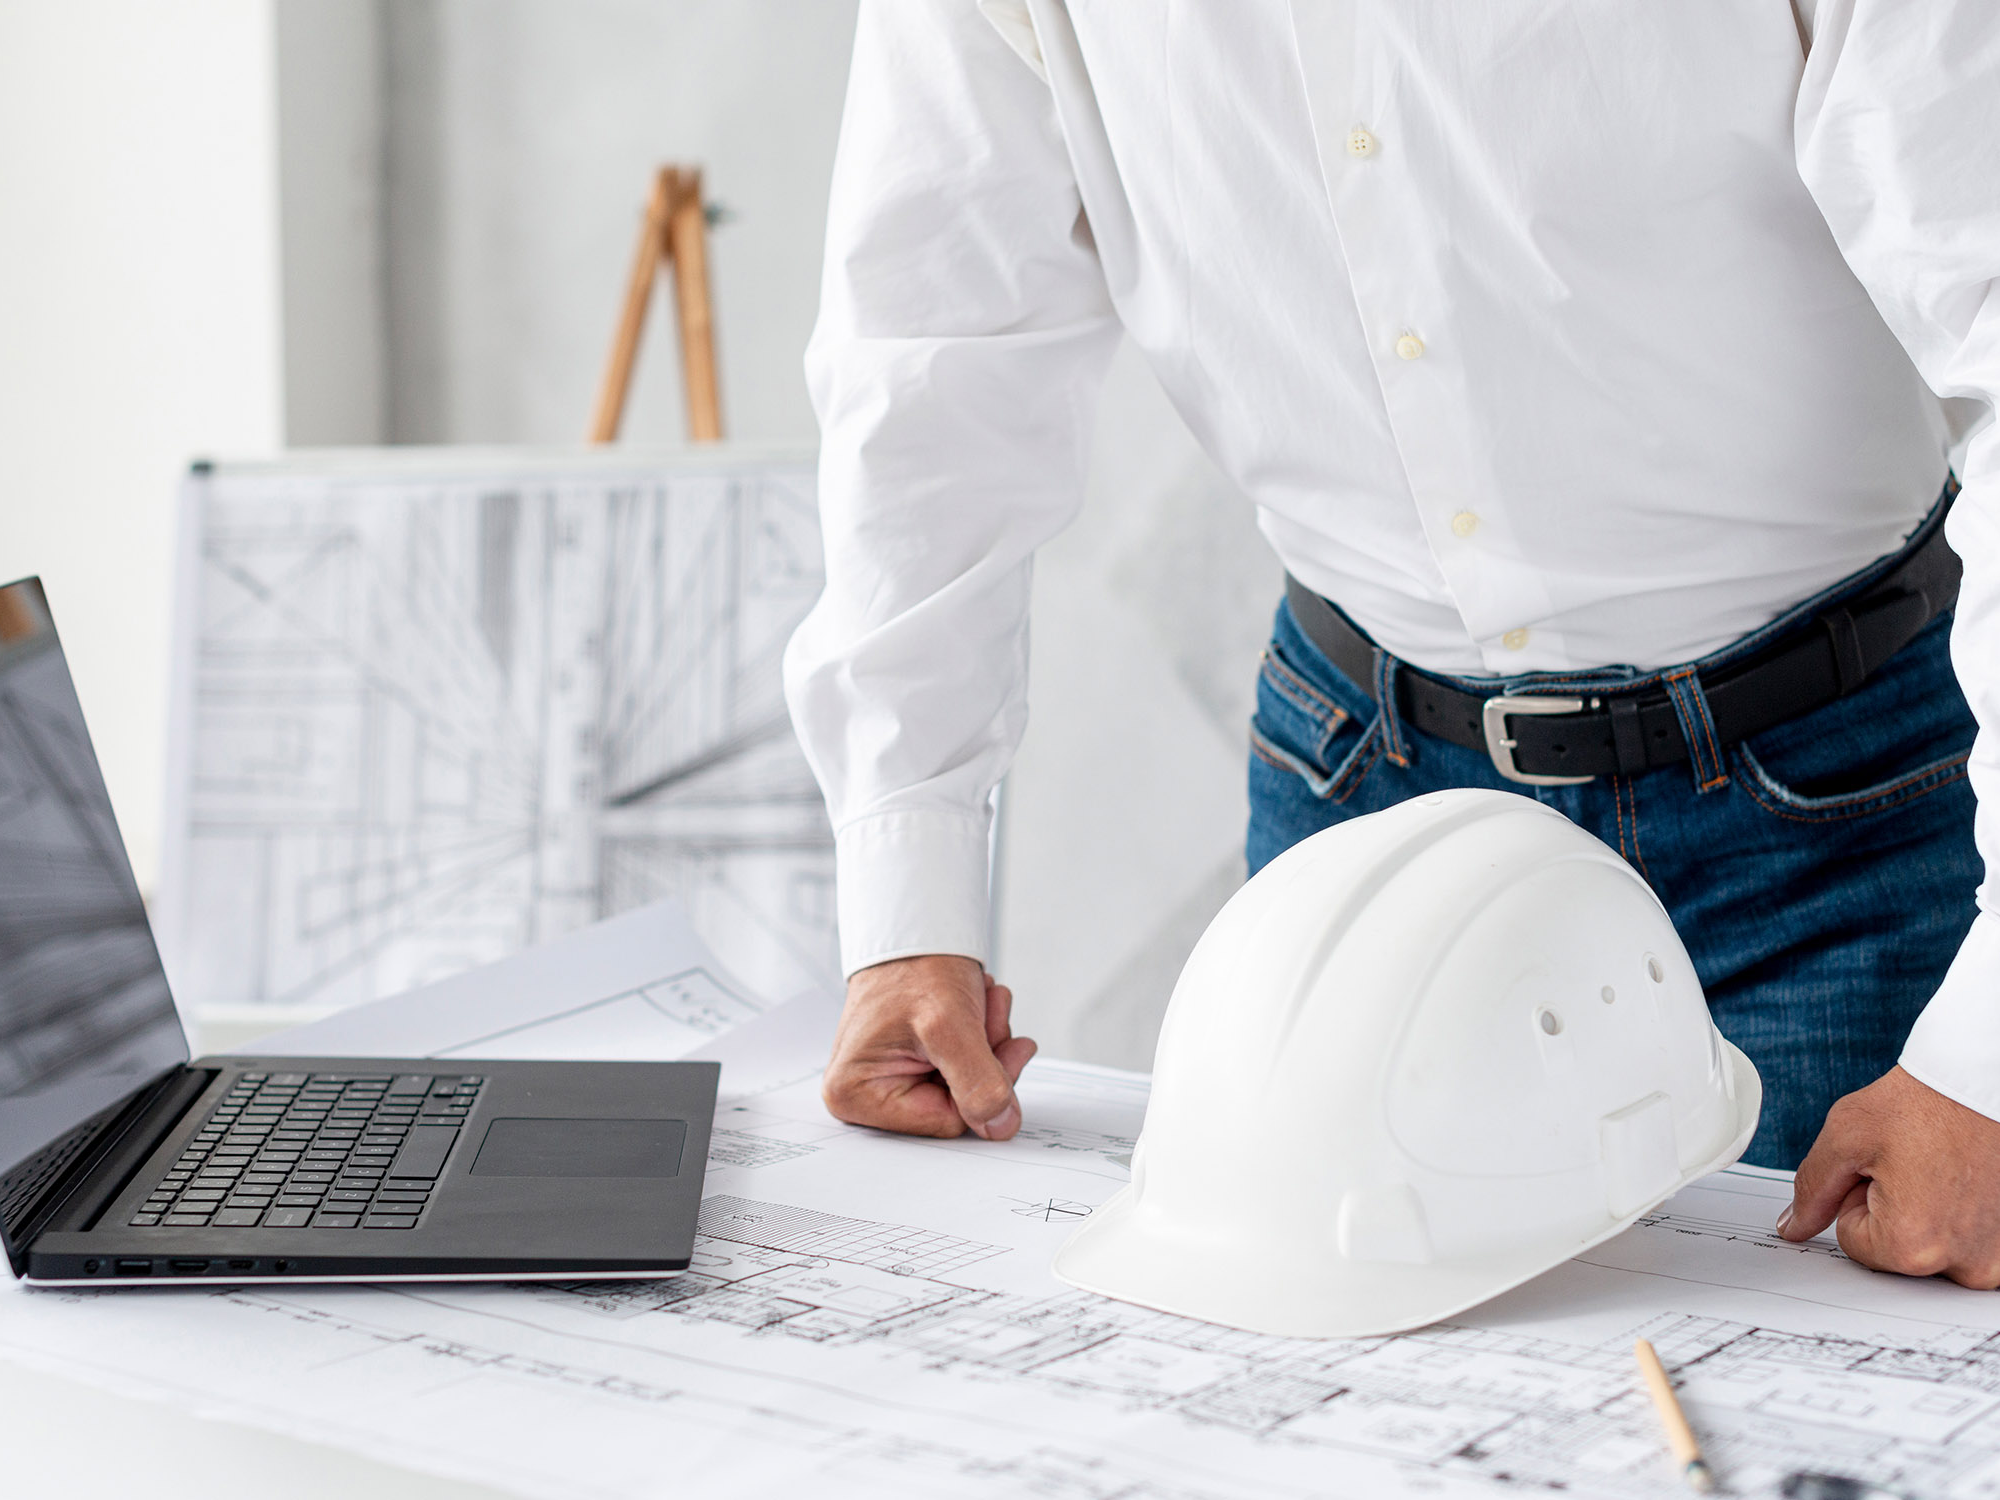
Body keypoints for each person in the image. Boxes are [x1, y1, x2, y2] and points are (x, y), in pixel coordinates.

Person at [782, 3, 2000, 1286]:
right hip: (1358, 787)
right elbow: (929, 366)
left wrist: (1988, 1054)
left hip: (1832, 810)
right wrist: (907, 892)